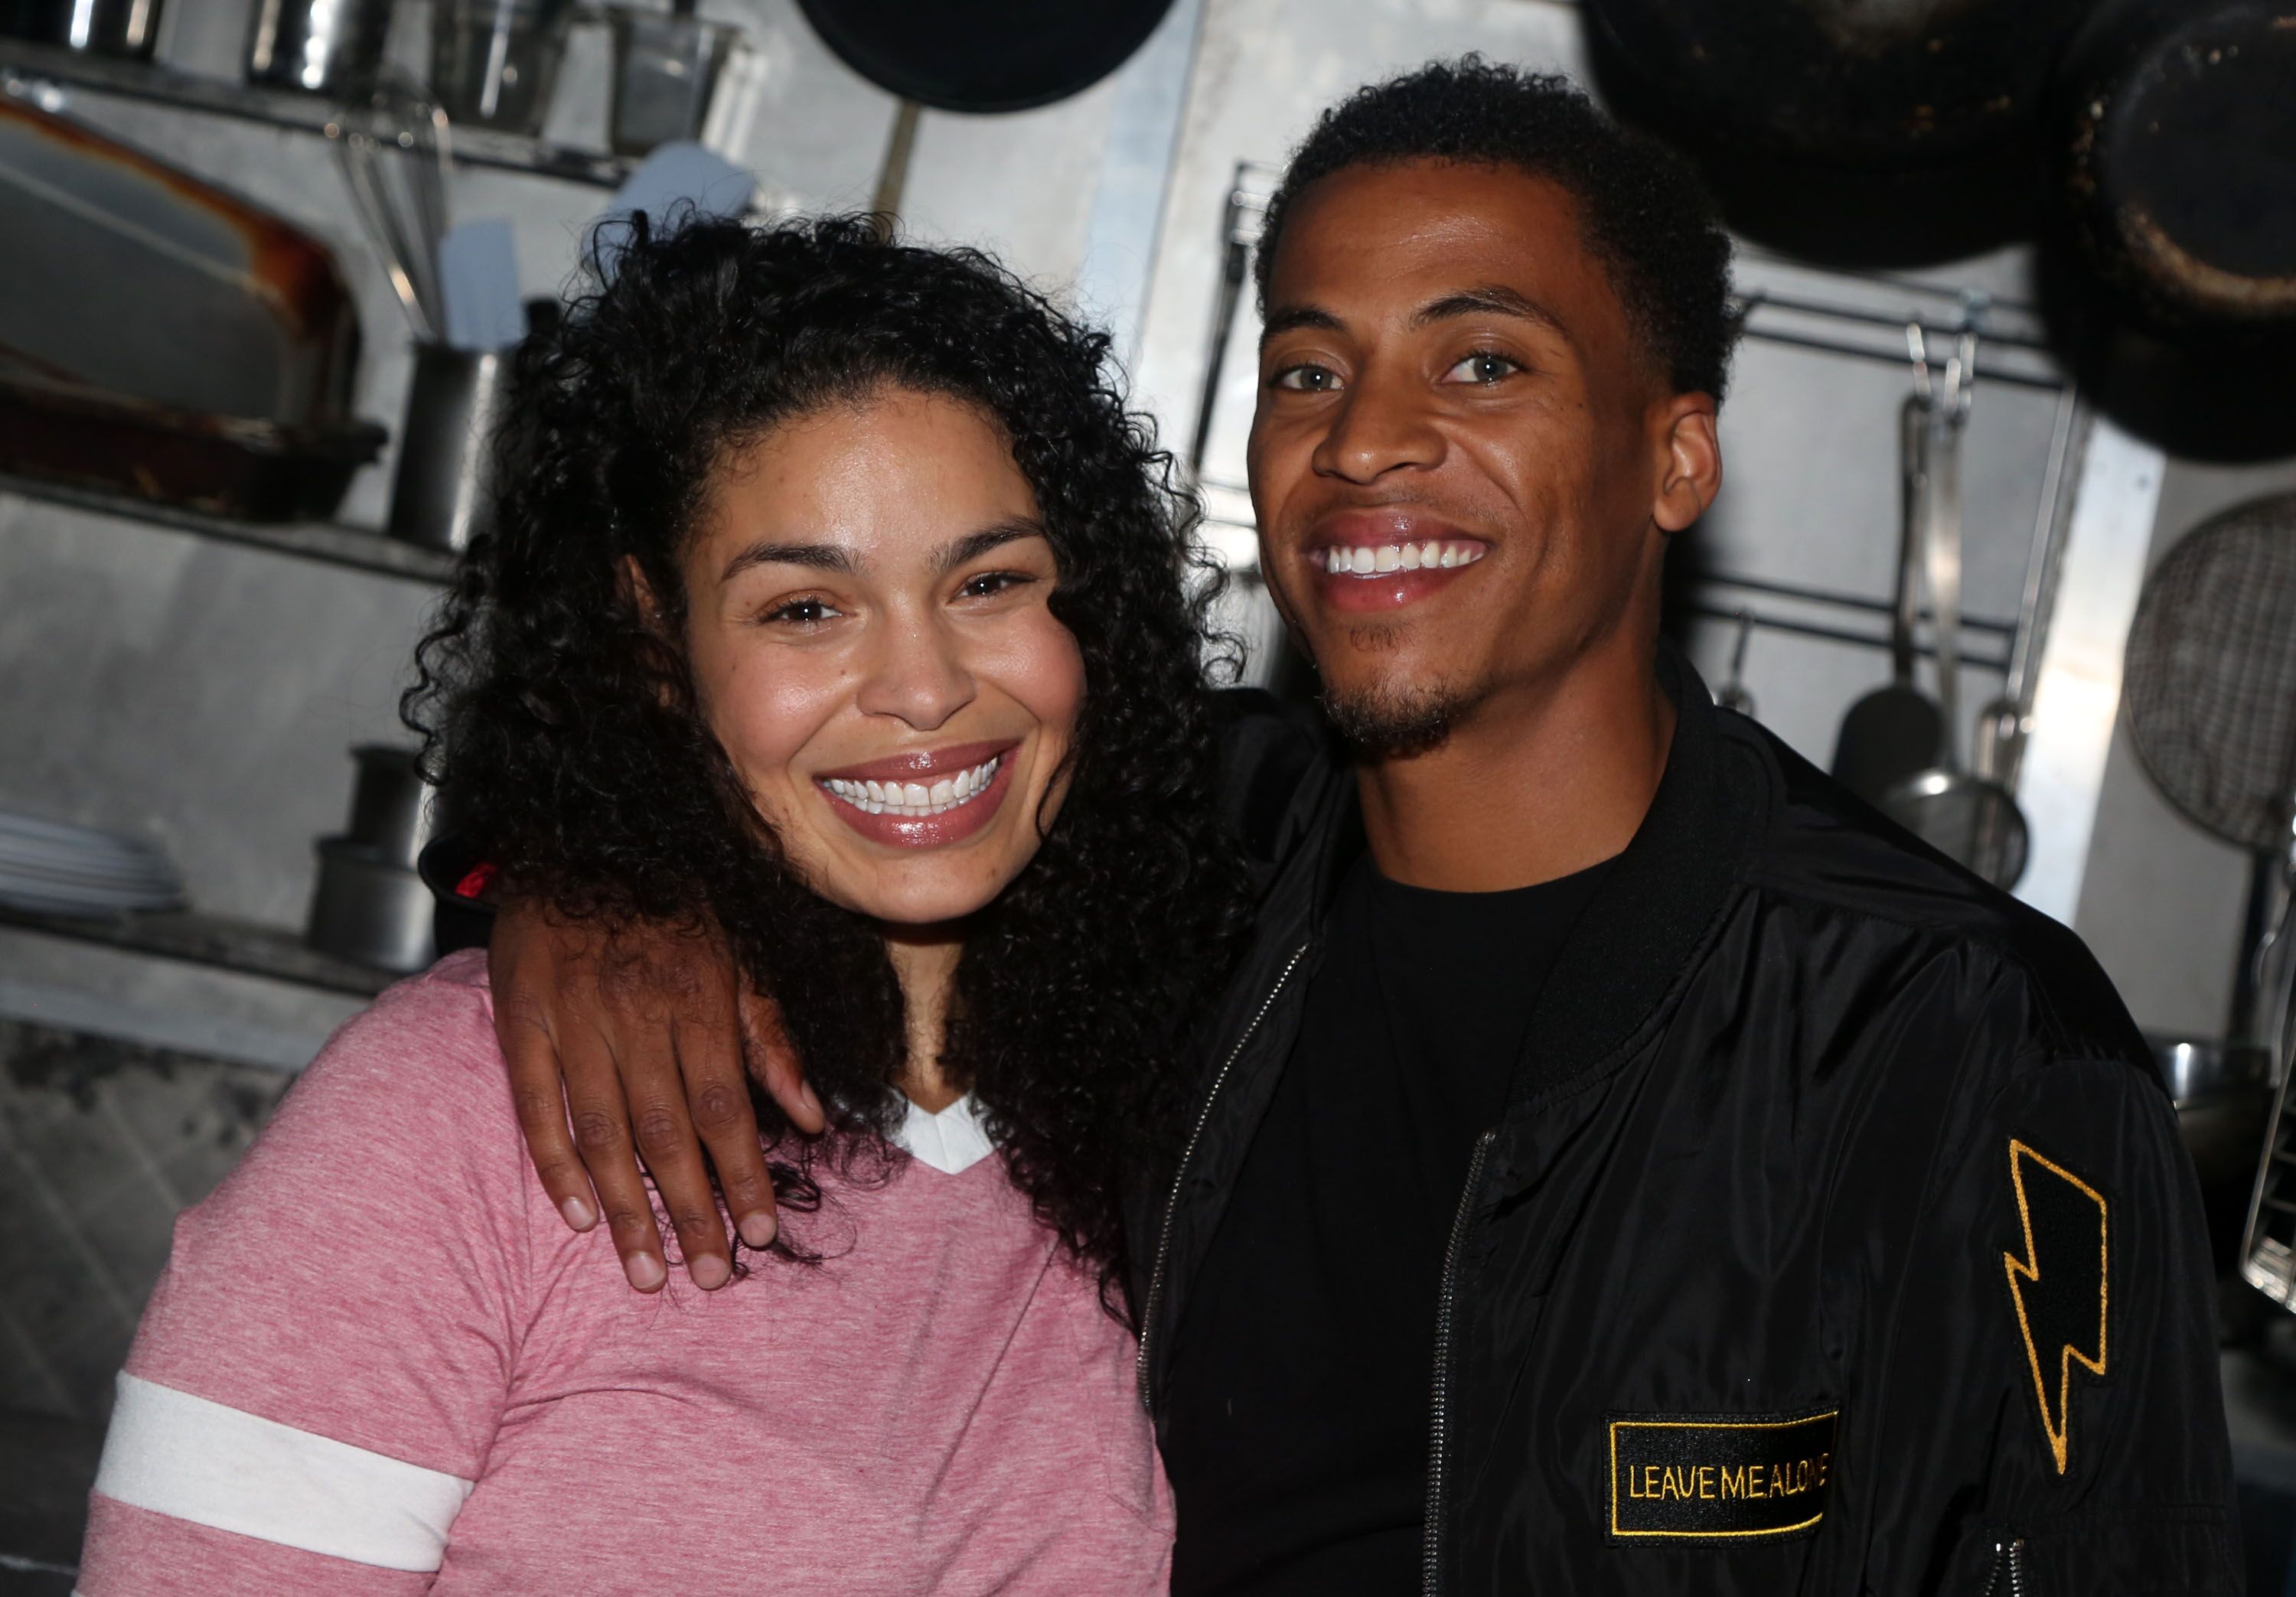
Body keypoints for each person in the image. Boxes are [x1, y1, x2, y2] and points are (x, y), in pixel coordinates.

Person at [474, 61, 2240, 1595]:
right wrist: (598, 889)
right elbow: (737, 750)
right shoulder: (1173, 843)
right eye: (1309, 371)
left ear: (1675, 457)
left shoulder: (1956, 1042)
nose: (1368, 443)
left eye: (1482, 364)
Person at [76, 213, 1256, 1592]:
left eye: (990, 582)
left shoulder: (1192, 1120)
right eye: (805, 609)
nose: (926, 687)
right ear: (656, 642)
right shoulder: (462, 1118)